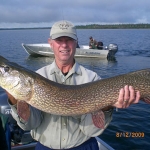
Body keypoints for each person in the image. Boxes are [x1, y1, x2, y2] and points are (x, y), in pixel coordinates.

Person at [6, 20, 140, 150]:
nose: (64, 45)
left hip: (84, 146)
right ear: (51, 43)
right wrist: (14, 99)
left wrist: (107, 106)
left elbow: (91, 130)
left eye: (69, 40)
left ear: (76, 43)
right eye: (59, 40)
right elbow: (30, 125)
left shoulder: (93, 79)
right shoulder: (39, 76)